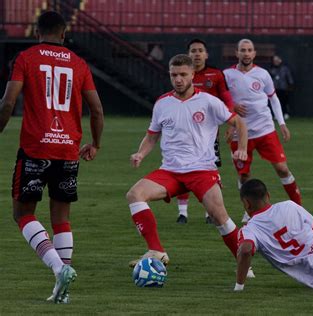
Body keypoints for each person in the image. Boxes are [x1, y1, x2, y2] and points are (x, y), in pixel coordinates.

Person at [0, 11, 104, 304]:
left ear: (37, 32)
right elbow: (96, 110)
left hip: (36, 149)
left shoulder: (26, 58)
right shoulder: (79, 63)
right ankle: (64, 285)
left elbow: (8, 102)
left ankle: (59, 269)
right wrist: (95, 143)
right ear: (63, 34)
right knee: (62, 218)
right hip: (68, 150)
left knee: (23, 214)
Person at [126, 54, 248, 270]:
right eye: (174, 75)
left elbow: (239, 122)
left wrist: (242, 149)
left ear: (193, 74)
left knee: (220, 217)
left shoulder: (209, 101)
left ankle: (245, 263)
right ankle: (156, 250)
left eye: (183, 74)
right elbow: (152, 135)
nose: (178, 79)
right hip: (171, 172)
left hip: (202, 171)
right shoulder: (162, 103)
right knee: (135, 194)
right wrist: (140, 154)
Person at [224, 39, 302, 223]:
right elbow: (219, 99)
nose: (246, 53)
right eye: (242, 50)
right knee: (243, 175)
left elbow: (273, 99)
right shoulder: (227, 75)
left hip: (265, 130)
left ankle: (298, 207)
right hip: (239, 133)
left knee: (282, 168)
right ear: (237, 53)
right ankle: (249, 210)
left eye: (249, 50)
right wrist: (232, 109)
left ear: (254, 53)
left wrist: (281, 123)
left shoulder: (263, 74)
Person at [174, 38, 236, 225]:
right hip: (183, 134)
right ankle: (182, 213)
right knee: (180, 169)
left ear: (206, 54)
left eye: (200, 50)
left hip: (208, 136)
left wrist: (231, 122)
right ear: (188, 55)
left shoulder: (216, 74)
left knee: (208, 173)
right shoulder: (181, 75)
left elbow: (227, 98)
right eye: (193, 50)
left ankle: (209, 213)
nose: (197, 54)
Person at [269, 55, 294, 120]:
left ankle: (285, 113)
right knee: (275, 102)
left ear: (280, 60)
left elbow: (289, 77)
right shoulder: (271, 69)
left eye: (277, 60)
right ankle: (275, 115)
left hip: (283, 88)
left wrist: (291, 84)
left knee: (284, 102)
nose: (276, 62)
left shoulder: (285, 68)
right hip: (275, 88)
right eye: (274, 60)